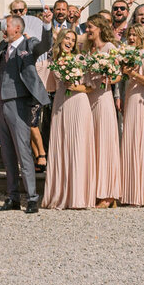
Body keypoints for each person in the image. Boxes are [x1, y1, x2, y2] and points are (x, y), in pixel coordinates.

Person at [0, 5, 53, 214]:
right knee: (6, 154)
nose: (2, 29)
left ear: (16, 28)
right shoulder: (1, 49)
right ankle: (13, 197)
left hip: (19, 103)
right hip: (0, 103)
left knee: (23, 151)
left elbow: (46, 45)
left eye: (5, 26)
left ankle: (32, 197)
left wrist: (47, 25)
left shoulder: (28, 44)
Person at [41, 28, 95, 210]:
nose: (70, 42)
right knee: (62, 145)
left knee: (78, 146)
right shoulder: (53, 61)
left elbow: (90, 87)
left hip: (80, 105)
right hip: (61, 104)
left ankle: (78, 196)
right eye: (67, 38)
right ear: (60, 40)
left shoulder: (80, 60)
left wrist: (75, 87)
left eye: (73, 40)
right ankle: (60, 193)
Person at [83, 13, 121, 208]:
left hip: (103, 99)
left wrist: (108, 78)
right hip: (87, 98)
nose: (87, 30)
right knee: (92, 145)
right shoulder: (87, 50)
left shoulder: (109, 48)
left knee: (104, 144)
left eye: (90, 27)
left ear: (99, 28)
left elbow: (118, 76)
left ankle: (108, 193)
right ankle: (95, 190)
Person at [119, 24, 144, 206]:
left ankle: (142, 193)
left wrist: (131, 74)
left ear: (142, 37)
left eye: (135, 35)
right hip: (131, 98)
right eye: (130, 35)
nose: (132, 38)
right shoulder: (130, 54)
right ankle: (130, 191)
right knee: (131, 140)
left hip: (142, 101)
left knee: (140, 140)